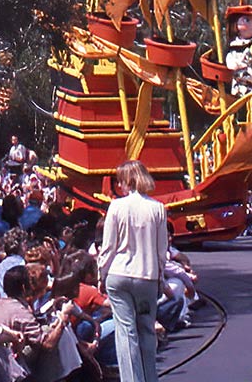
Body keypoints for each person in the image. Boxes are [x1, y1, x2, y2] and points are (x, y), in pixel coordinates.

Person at [97, 160, 167, 382]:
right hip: (147, 276)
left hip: (119, 276)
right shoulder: (158, 208)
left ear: (126, 181)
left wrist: (102, 274)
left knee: (126, 333)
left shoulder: (116, 207)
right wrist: (161, 278)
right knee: (146, 329)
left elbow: (108, 247)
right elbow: (161, 251)